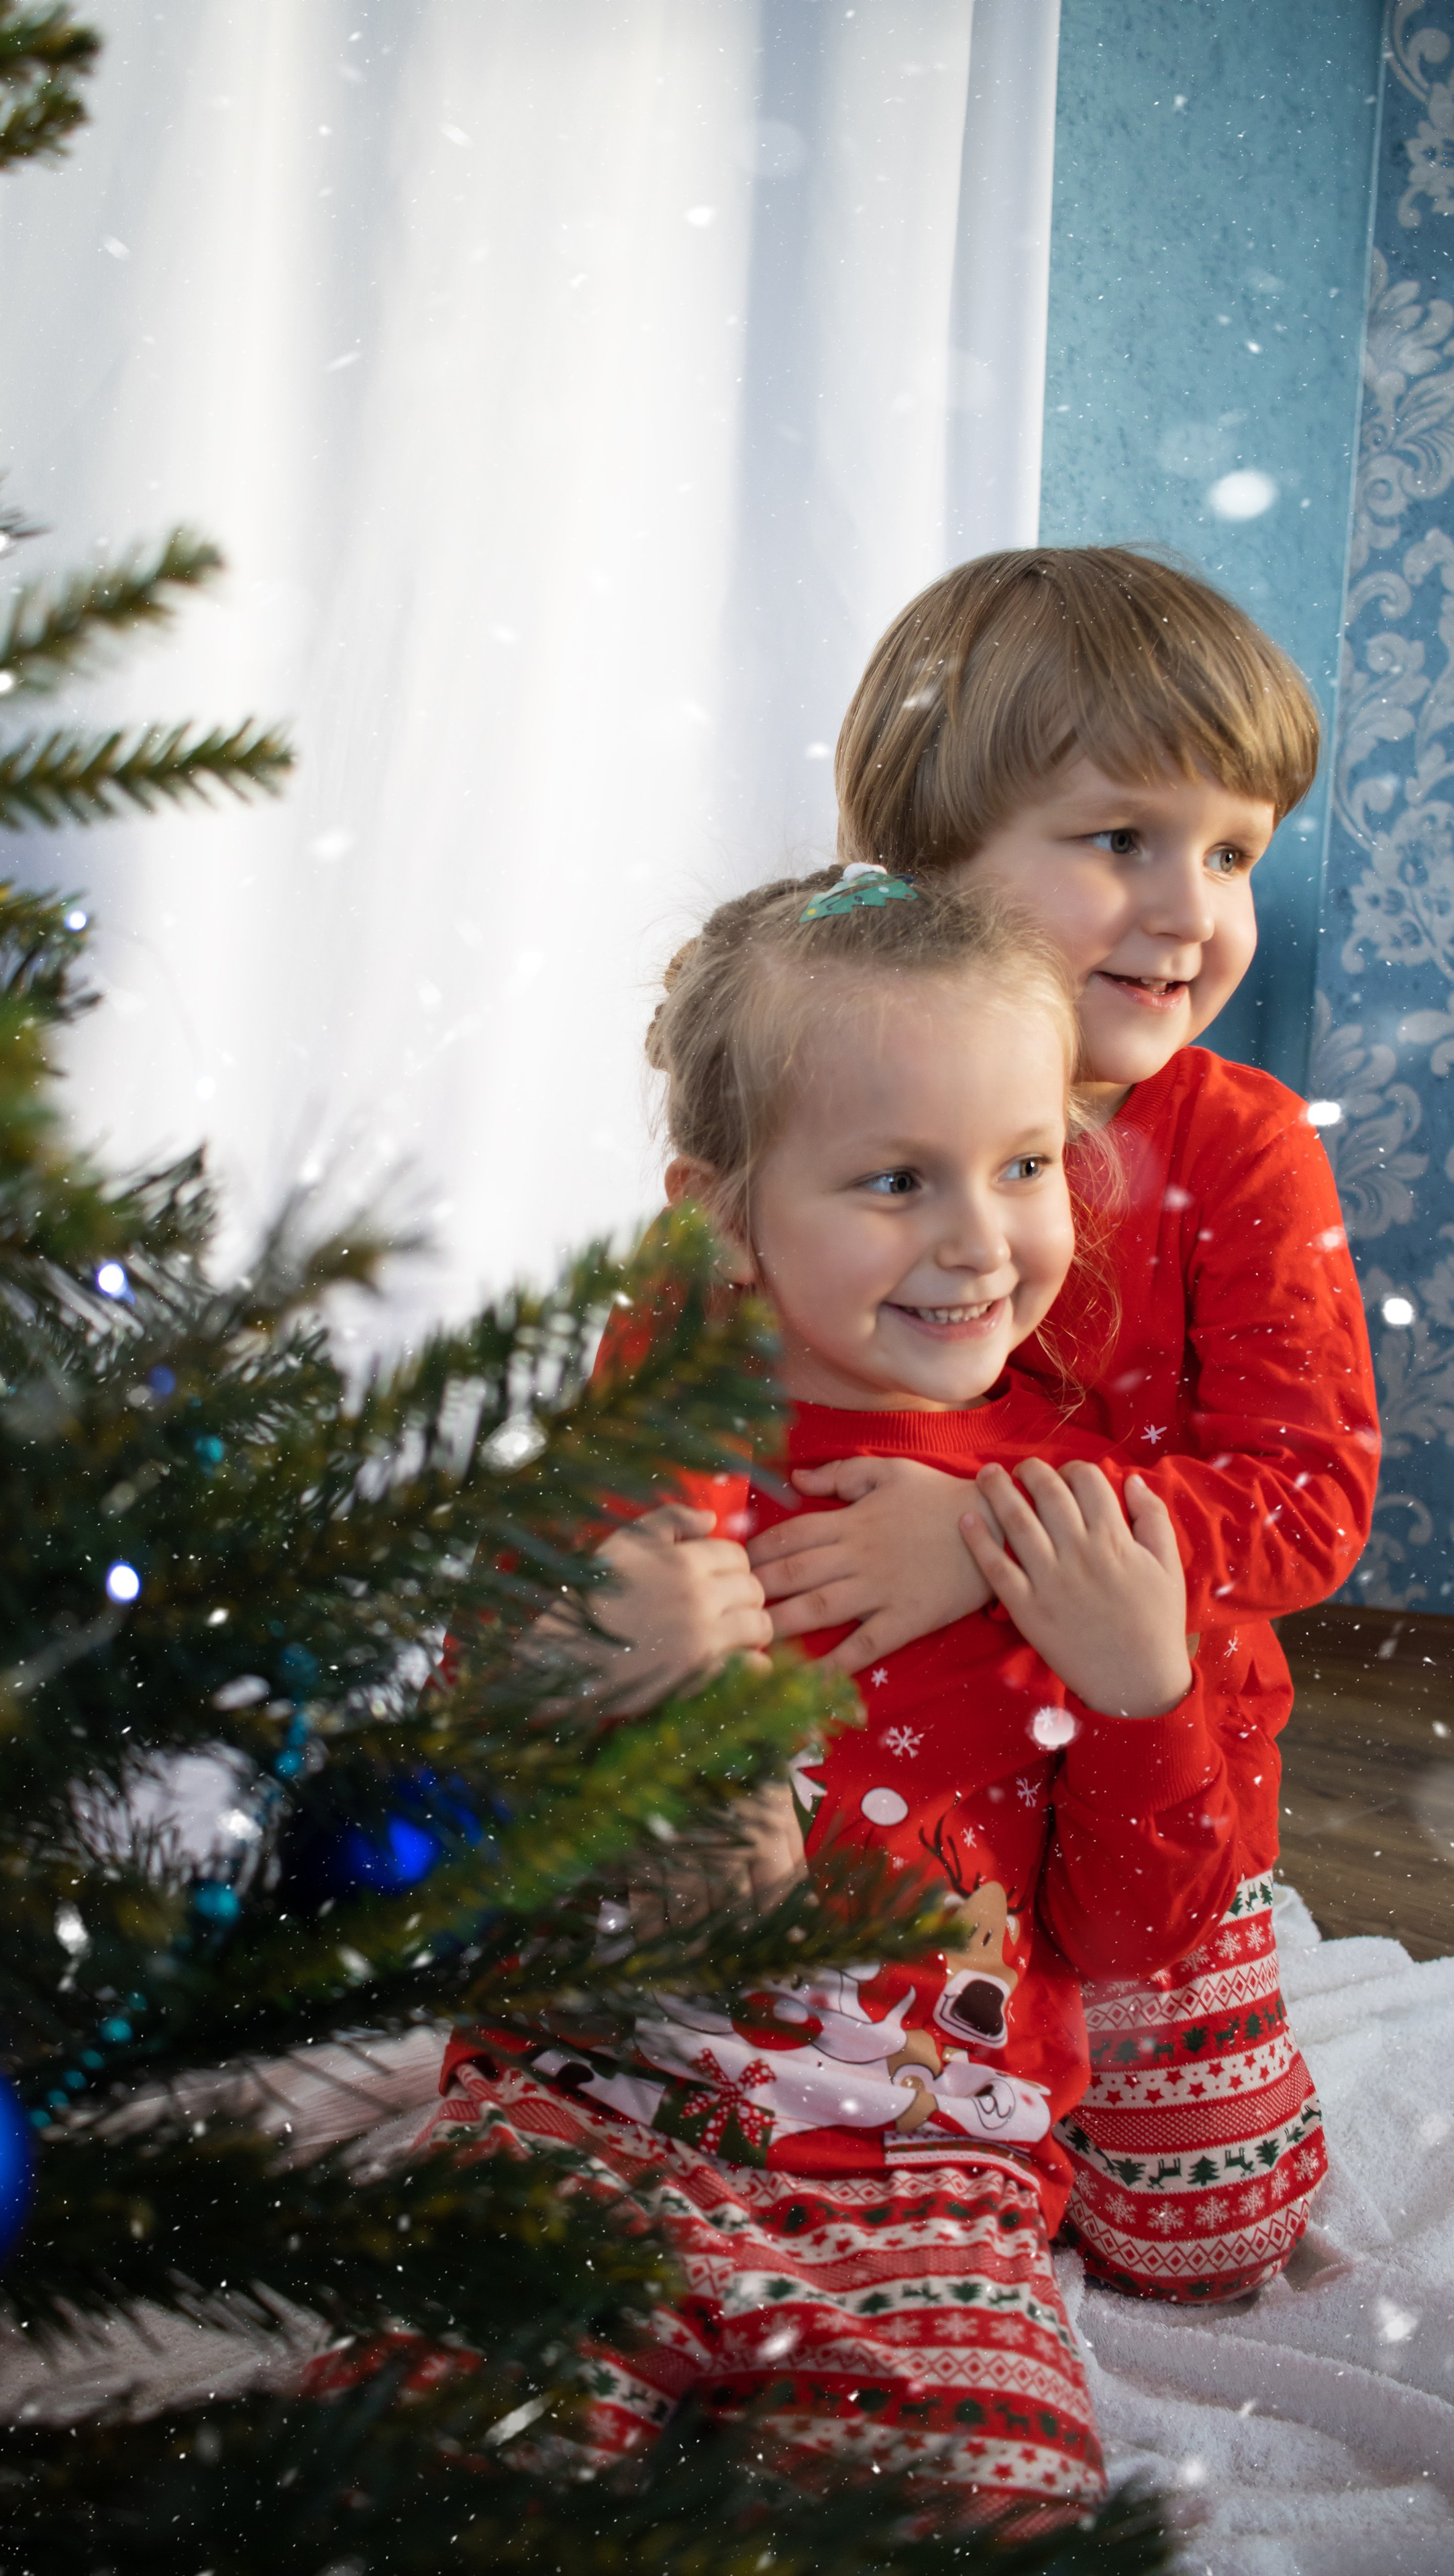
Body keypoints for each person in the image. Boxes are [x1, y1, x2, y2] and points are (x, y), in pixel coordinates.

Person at [421, 872, 1241, 2517]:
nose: (975, 1240)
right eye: (892, 1180)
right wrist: (574, 1673)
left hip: (934, 2167)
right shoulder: (622, 1480)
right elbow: (435, 1845)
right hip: (580, 2108)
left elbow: (1139, 1932)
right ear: (717, 1219)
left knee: (966, 2517)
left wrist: (1151, 1691)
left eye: (1022, 1166)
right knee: (428, 2471)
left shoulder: (1080, 1523)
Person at [746, 547, 1378, 2303]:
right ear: (933, 861)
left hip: (1162, 1773)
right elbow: (683, 1367)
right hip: (891, 1799)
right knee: (838, 2186)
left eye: (1236, 849)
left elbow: (1308, 1499)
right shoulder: (818, 1092)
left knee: (1203, 2239)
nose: (1193, 909)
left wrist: (987, 1531)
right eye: (1123, 840)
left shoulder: (1238, 1146)